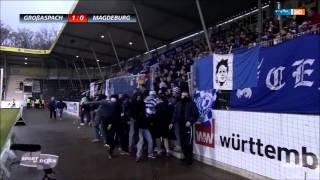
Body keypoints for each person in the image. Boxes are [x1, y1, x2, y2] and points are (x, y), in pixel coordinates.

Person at [169, 91, 199, 165]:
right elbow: (175, 114)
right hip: (181, 125)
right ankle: (186, 157)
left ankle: (189, 160)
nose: (184, 97)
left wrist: (190, 121)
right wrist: (172, 122)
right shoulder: (178, 104)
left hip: (188, 126)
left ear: (188, 96)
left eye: (185, 95)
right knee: (182, 142)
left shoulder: (191, 104)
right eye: (183, 95)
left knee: (188, 143)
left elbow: (196, 114)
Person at [136, 93, 155, 162]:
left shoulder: (144, 113)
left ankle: (147, 154)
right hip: (141, 129)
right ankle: (139, 155)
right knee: (143, 141)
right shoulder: (142, 114)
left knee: (147, 141)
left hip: (144, 128)